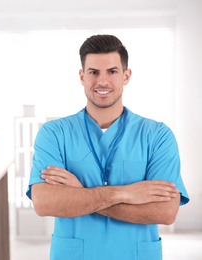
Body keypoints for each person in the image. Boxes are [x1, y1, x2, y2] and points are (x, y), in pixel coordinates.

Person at [26, 35, 189, 260]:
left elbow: (166, 211)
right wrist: (127, 193)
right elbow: (44, 203)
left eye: (112, 71)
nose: (102, 81)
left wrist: (80, 194)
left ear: (126, 76)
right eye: (93, 72)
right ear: (82, 77)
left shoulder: (157, 135)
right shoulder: (54, 133)